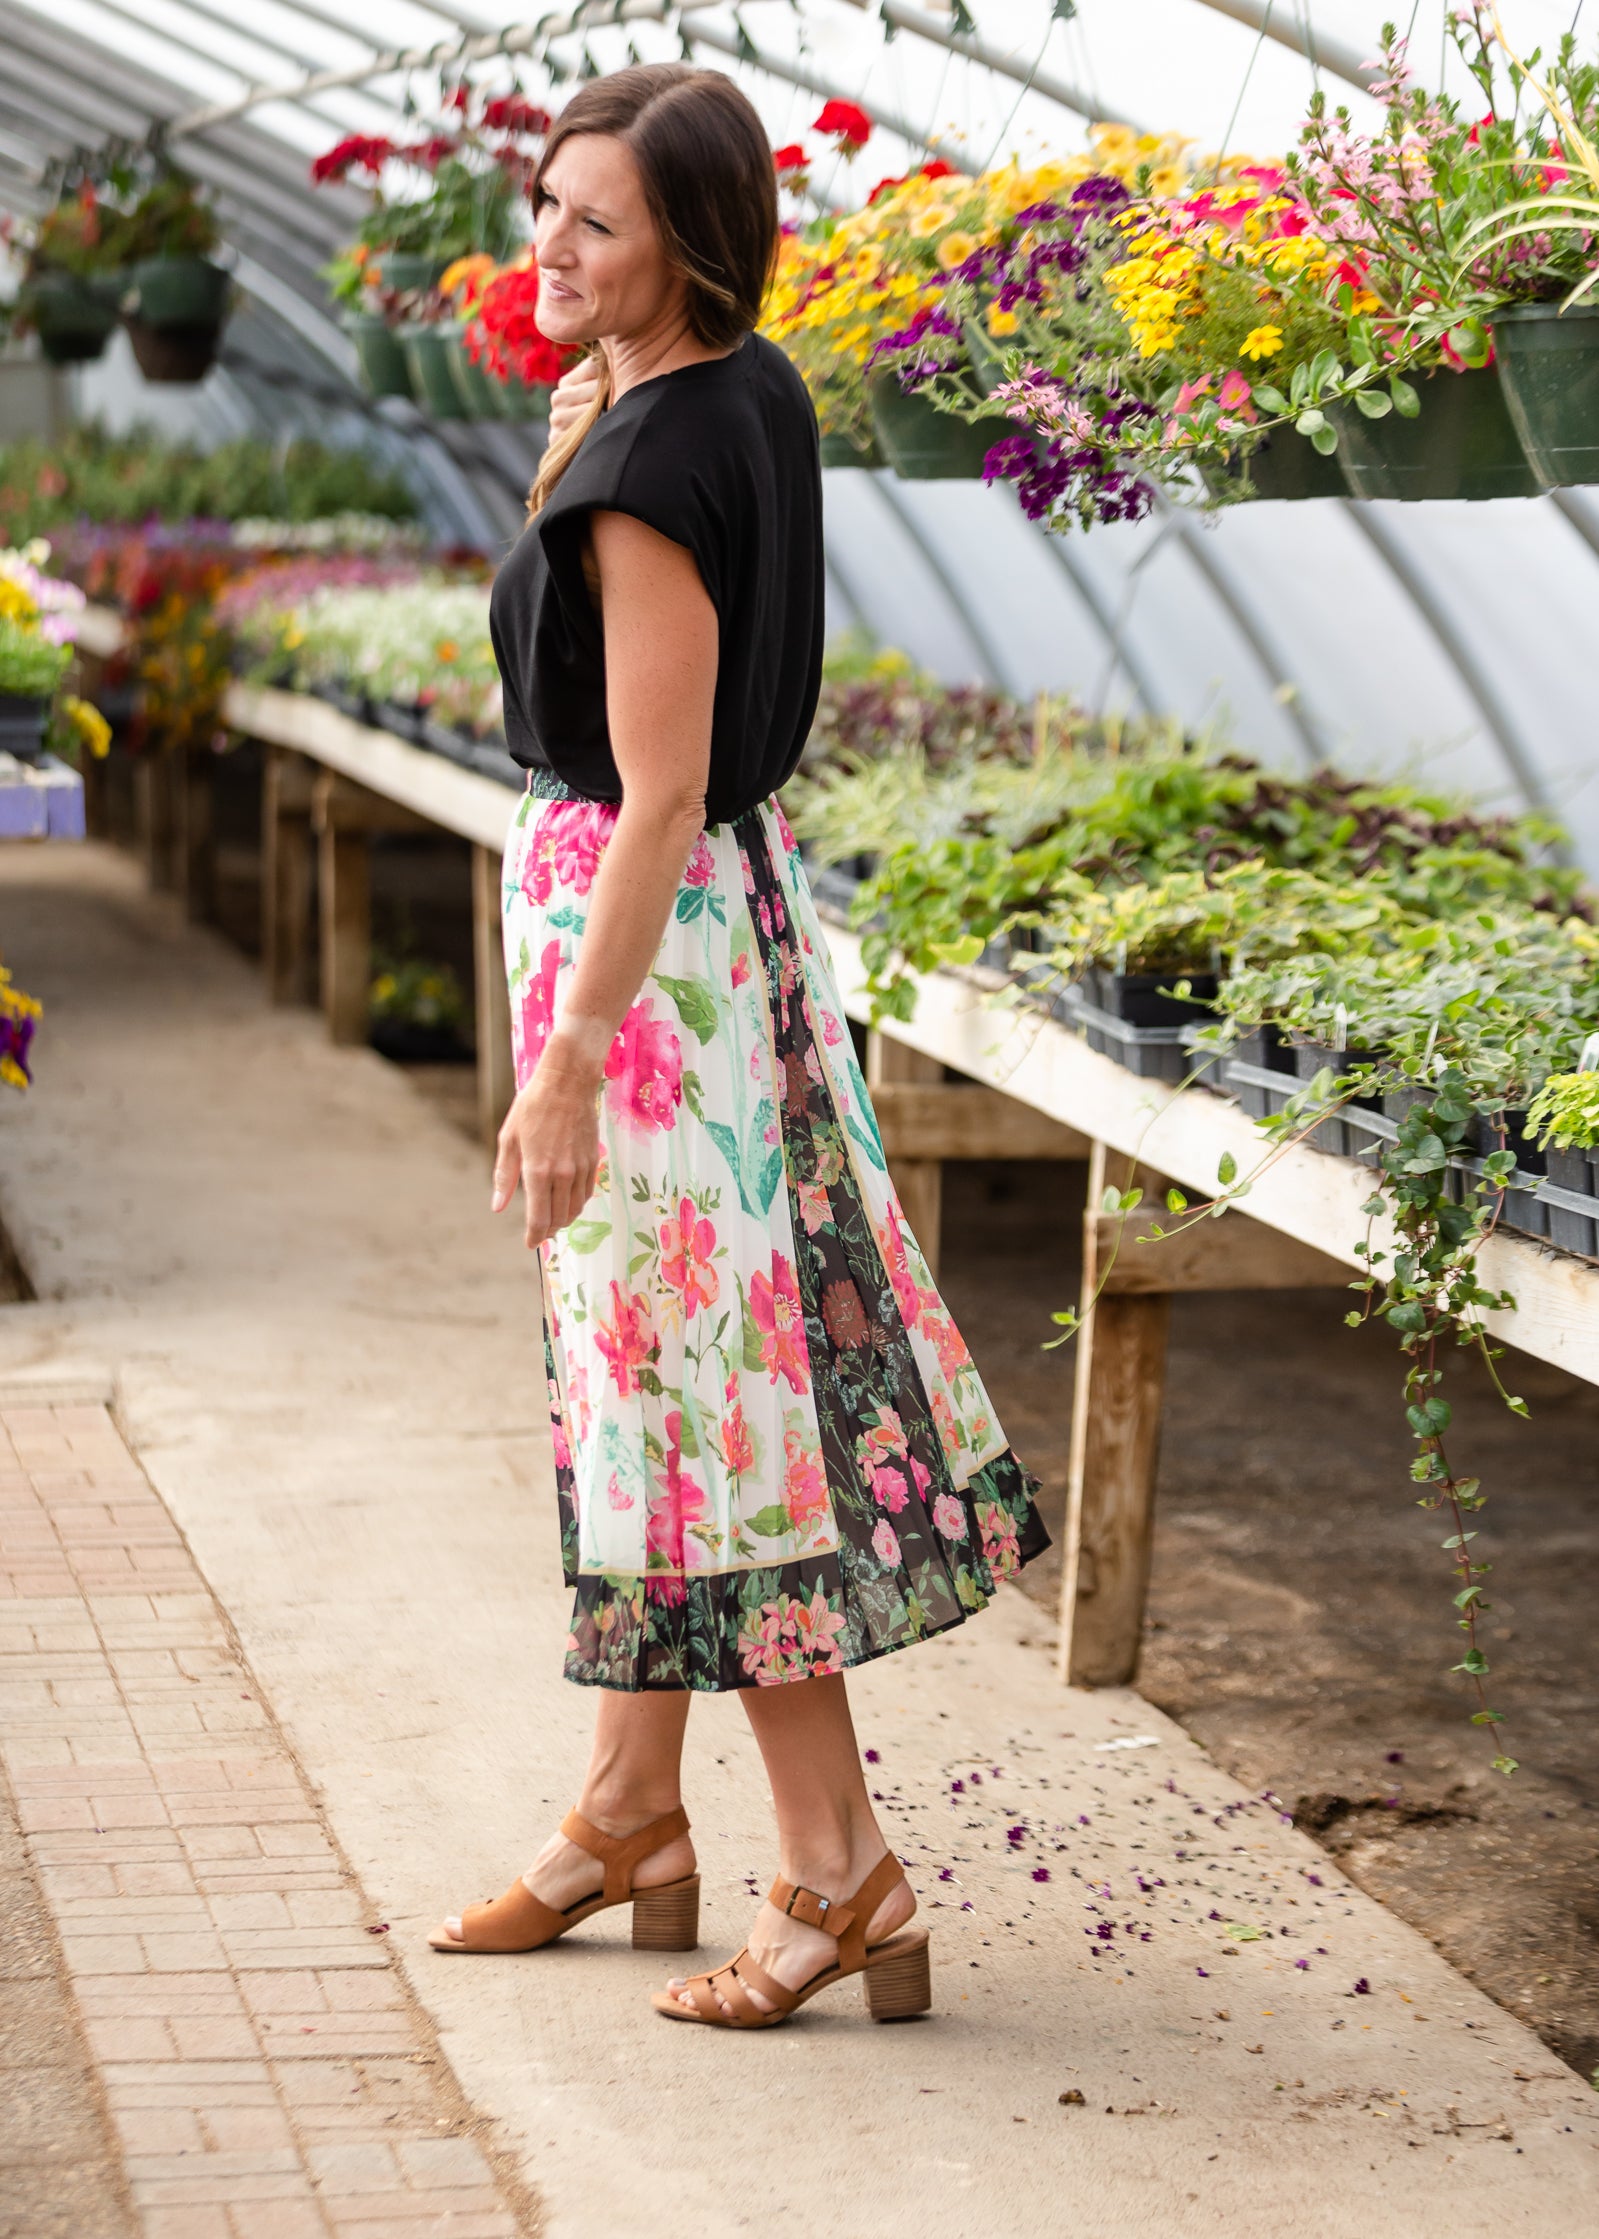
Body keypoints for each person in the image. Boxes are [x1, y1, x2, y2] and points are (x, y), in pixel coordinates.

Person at [430, 63, 1048, 2028]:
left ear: (687, 244)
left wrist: (565, 1054)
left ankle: (839, 1869)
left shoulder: (640, 471)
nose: (550, 244)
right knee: (662, 1399)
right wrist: (590, 415)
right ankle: (628, 1809)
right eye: (546, 203)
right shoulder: (729, 395)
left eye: (593, 222)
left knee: (715, 1414)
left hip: (653, 958)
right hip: (722, 942)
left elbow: (662, 788)